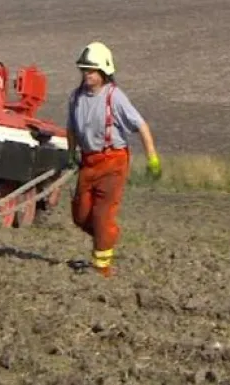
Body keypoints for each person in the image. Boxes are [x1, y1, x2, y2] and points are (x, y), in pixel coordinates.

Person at [66, 41, 161, 278]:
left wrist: (152, 159)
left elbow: (141, 125)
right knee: (80, 215)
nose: (87, 74)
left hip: (113, 162)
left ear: (104, 71)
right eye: (84, 69)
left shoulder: (115, 97)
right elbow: (70, 129)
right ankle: (106, 235)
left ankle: (102, 268)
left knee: (101, 214)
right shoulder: (75, 97)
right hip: (88, 162)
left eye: (92, 70)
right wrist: (71, 153)